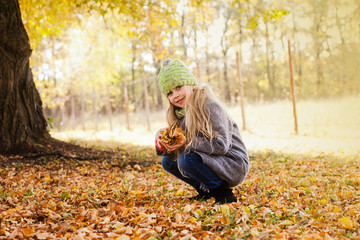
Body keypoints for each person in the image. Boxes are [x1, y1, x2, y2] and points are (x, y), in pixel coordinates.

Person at [155, 59, 249, 204]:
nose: (175, 95)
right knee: (167, 161)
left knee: (186, 159)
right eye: (170, 93)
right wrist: (163, 141)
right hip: (212, 160)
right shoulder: (181, 114)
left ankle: (224, 194)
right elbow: (180, 147)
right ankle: (205, 189)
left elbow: (221, 144)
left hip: (232, 163)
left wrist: (186, 142)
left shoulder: (209, 106)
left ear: (191, 84)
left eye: (179, 87)